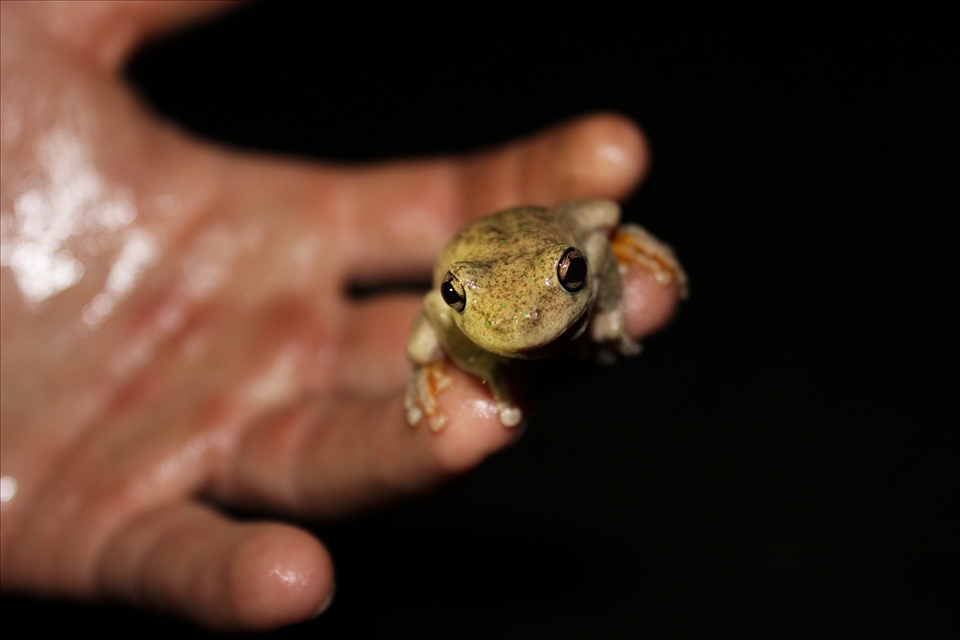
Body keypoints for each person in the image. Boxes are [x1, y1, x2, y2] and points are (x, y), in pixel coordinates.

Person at [0, 2, 682, 631]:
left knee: (599, 218)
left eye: (566, 278)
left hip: (540, 236)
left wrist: (599, 287)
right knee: (426, 350)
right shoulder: (452, 310)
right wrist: (447, 366)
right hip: (482, 273)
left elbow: (597, 226)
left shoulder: (573, 248)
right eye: (454, 298)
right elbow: (430, 334)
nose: (531, 318)